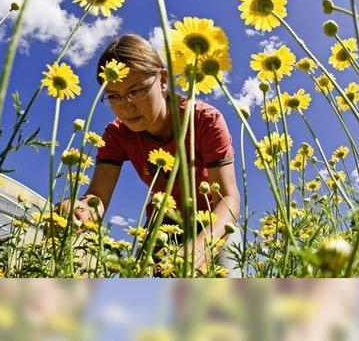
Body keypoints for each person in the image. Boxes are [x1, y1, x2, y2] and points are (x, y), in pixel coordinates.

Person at [58, 34, 241, 276]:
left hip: (214, 222)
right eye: (114, 96)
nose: (126, 106)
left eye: (137, 91)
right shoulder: (116, 135)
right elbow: (97, 198)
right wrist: (80, 209)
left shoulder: (204, 120)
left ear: (163, 80)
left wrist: (198, 251)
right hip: (162, 225)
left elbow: (228, 198)